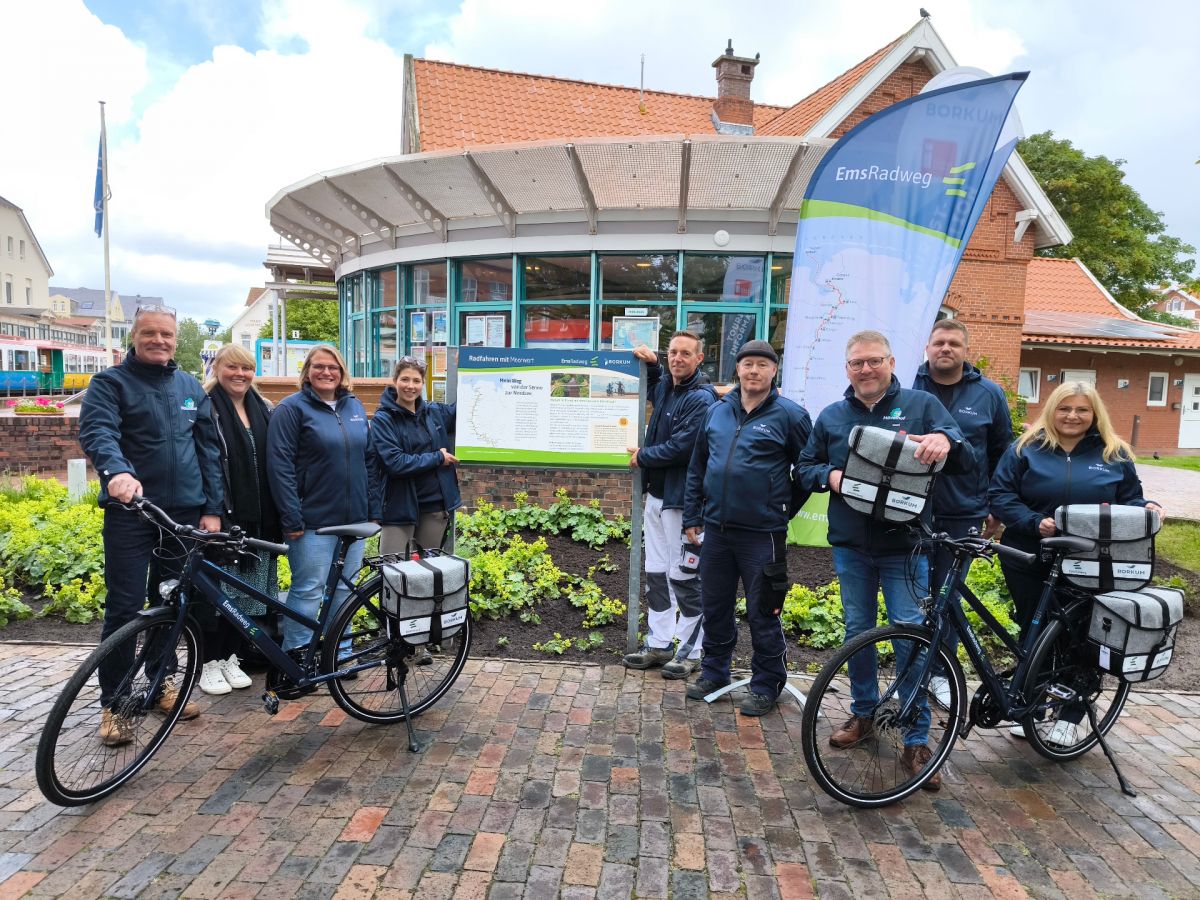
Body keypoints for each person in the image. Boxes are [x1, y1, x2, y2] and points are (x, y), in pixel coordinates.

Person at [797, 330, 972, 791]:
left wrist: (944, 442)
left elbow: (964, 454)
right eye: (857, 363)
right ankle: (864, 715)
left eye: (874, 361)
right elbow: (804, 465)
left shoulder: (922, 406)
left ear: (891, 361)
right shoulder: (833, 416)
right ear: (847, 368)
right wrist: (828, 475)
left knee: (909, 637)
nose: (865, 369)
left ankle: (916, 739)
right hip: (852, 545)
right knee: (858, 634)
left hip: (906, 545)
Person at [78, 305, 223, 744]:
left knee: (172, 603)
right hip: (133, 514)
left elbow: (209, 451)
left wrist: (212, 508)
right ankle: (116, 705)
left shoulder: (188, 386)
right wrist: (116, 471)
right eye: (150, 333)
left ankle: (160, 683)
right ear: (134, 337)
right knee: (124, 610)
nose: (159, 340)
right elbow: (98, 431)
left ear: (176, 340)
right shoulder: (110, 384)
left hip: (183, 517)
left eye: (167, 334)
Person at [988, 380, 1162, 737]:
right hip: (1030, 551)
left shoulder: (1114, 453)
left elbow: (1130, 499)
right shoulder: (1025, 449)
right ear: (1052, 410)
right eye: (1065, 408)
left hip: (1093, 558)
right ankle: (1033, 705)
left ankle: (1071, 714)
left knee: (1080, 633)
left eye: (1082, 409)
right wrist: (1035, 523)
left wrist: (1146, 508)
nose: (1072, 416)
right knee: (1034, 629)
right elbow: (1001, 495)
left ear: (1094, 413)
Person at [682, 339, 811, 716]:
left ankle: (766, 683)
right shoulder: (717, 411)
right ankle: (715, 671)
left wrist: (782, 509)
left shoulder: (791, 415)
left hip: (763, 535)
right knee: (715, 604)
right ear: (737, 369)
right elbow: (698, 467)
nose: (753, 371)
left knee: (763, 610)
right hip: (718, 531)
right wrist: (692, 516)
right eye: (747, 364)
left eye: (762, 365)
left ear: (774, 371)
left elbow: (807, 471)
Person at [912, 320, 1012, 707]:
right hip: (911, 509)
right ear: (928, 346)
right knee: (915, 594)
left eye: (954, 343)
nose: (946, 349)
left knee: (947, 595)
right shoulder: (909, 386)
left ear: (965, 349)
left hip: (964, 510)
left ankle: (939, 673)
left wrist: (995, 507)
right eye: (939, 342)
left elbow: (1003, 452)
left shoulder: (988, 394)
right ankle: (912, 668)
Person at [267, 345, 377, 653]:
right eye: (319, 366)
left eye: (333, 367)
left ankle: (338, 656)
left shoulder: (354, 407)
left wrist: (373, 510)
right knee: (308, 590)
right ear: (307, 371)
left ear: (342, 372)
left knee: (345, 590)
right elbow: (280, 467)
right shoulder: (291, 409)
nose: (326, 372)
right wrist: (292, 517)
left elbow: (369, 460)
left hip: (354, 520)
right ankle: (299, 656)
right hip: (311, 522)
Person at [622, 332, 717, 679]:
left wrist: (643, 456)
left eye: (685, 354)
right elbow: (656, 384)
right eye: (673, 353)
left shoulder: (701, 399)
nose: (678, 358)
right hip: (657, 497)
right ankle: (660, 643)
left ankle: (692, 648)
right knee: (657, 573)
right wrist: (651, 364)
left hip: (683, 501)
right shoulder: (667, 387)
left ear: (699, 358)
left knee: (685, 576)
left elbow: (682, 447)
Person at [196, 344, 280, 695]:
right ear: (217, 368)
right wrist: (210, 509)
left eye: (246, 368)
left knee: (247, 595)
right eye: (232, 367)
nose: (240, 374)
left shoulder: (261, 408)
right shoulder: (207, 408)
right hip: (225, 518)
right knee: (220, 596)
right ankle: (208, 664)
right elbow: (206, 464)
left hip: (258, 518)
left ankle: (232, 657)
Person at [370, 355, 460, 556]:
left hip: (434, 507)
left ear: (423, 384)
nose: (410, 386)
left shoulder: (433, 413)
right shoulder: (383, 420)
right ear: (395, 381)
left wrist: (465, 370)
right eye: (405, 379)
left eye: (416, 381)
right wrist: (437, 458)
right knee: (392, 572)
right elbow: (394, 462)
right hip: (399, 508)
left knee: (427, 574)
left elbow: (464, 408)